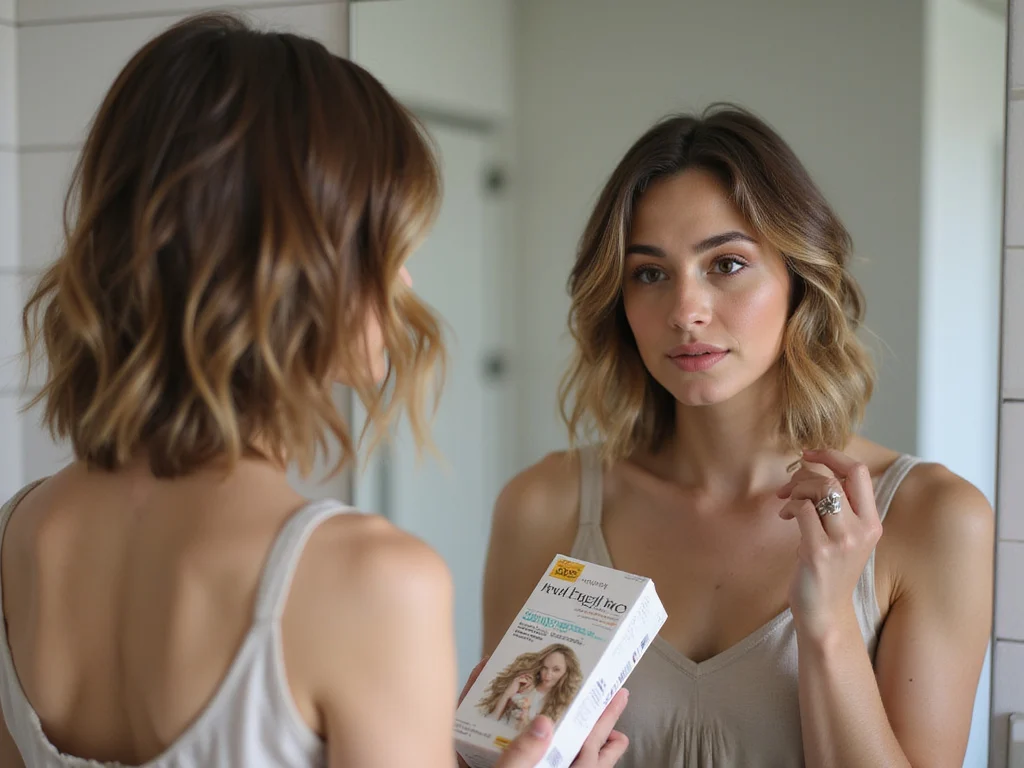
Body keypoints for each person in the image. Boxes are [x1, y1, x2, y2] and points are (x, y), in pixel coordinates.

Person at [0, 13, 628, 768]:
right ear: (302, 264)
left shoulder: (19, 536)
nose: (406, 286)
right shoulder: (369, 580)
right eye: (391, 251)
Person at [483, 105, 994, 767]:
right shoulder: (542, 506)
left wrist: (830, 619)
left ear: (798, 279)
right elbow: (502, 747)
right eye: (649, 273)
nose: (685, 311)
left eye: (725, 264)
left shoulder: (933, 521)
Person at [477, 644, 582, 730]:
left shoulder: (563, 702)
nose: (548, 675)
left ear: (567, 672)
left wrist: (526, 721)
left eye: (556, 670)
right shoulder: (524, 688)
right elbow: (489, 724)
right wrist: (507, 695)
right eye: (545, 668)